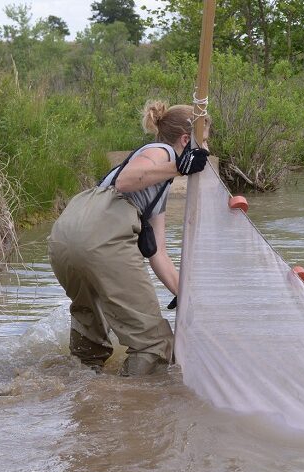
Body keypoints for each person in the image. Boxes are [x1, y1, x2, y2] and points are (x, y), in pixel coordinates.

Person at [48, 100, 210, 376]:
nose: (207, 149)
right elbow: (126, 180)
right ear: (187, 139)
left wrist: (186, 294)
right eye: (204, 141)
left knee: (91, 336)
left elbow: (157, 251)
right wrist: (181, 166)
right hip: (100, 239)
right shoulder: (163, 152)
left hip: (65, 239)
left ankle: (74, 391)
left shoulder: (156, 185)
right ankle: (130, 406)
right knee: (155, 343)